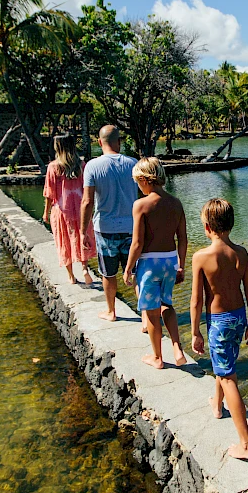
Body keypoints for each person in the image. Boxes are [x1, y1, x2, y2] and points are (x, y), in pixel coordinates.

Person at [190, 198, 248, 460]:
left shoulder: (202, 257)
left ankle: (246, 444)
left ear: (207, 227)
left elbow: (196, 300)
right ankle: (218, 406)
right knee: (225, 364)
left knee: (228, 376)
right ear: (231, 224)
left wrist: (195, 331)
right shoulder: (241, 253)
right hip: (239, 316)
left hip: (218, 322)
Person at [123, 157, 188, 369]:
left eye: (138, 182)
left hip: (149, 265)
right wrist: (181, 265)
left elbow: (137, 243)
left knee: (151, 312)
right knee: (166, 304)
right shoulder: (176, 203)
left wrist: (128, 268)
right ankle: (177, 347)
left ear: (145, 179)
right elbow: (183, 239)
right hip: (170, 261)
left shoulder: (141, 205)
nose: (138, 186)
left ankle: (158, 358)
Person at [80, 125, 138, 322]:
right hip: (132, 228)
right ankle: (147, 318)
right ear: (119, 142)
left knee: (108, 273)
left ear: (99, 142)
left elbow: (87, 201)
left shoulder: (92, 166)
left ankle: (111, 312)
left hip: (105, 229)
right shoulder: (133, 163)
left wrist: (82, 231)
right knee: (136, 273)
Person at [43, 135, 96, 286]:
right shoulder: (81, 164)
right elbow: (87, 189)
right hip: (80, 208)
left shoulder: (53, 167)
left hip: (61, 210)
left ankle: (71, 276)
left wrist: (45, 212)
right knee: (82, 236)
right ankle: (85, 268)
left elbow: (49, 193)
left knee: (63, 241)